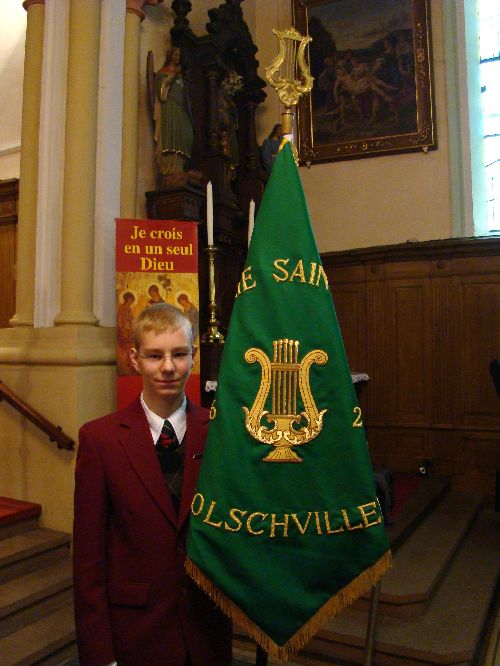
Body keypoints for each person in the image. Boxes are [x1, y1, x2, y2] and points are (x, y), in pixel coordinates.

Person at [73, 304, 232, 666]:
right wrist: (99, 654)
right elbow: (89, 560)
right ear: (134, 358)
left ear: (192, 356)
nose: (168, 367)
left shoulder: (220, 431)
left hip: (205, 630)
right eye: (155, 355)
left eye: (178, 354)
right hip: (136, 632)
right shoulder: (101, 440)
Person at [153, 47, 194, 176]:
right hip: (169, 109)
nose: (178, 57)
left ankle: (179, 168)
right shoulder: (163, 72)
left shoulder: (181, 77)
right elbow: (161, 93)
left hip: (181, 110)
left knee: (188, 134)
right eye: (176, 54)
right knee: (171, 135)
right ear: (170, 56)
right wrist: (174, 74)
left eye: (179, 55)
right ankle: (170, 170)